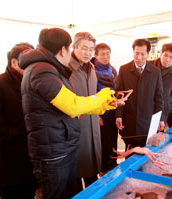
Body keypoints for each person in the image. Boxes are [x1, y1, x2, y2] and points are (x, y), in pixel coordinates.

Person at [19, 28, 116, 199]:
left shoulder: (49, 68)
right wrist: (101, 97)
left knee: (69, 192)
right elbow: (72, 105)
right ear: (64, 49)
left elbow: (73, 104)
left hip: (61, 143)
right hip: (53, 150)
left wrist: (105, 105)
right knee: (58, 193)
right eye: (73, 48)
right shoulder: (42, 71)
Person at [0, 43, 37, 199]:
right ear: (14, 62)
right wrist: (16, 134)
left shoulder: (31, 82)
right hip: (9, 157)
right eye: (28, 61)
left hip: (30, 155)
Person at [68, 32, 102, 191]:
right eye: (84, 48)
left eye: (91, 49)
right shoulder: (66, 68)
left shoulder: (92, 67)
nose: (88, 53)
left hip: (92, 123)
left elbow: (94, 95)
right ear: (74, 47)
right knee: (75, 174)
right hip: (75, 125)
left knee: (93, 171)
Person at [115, 39, 164, 148]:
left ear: (148, 54)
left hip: (147, 121)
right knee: (129, 152)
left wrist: (161, 118)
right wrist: (118, 115)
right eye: (136, 53)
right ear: (133, 52)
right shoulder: (124, 69)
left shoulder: (155, 71)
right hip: (128, 121)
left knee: (146, 153)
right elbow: (119, 94)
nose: (139, 57)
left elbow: (159, 97)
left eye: (143, 54)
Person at [90, 43, 118, 173]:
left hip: (113, 111)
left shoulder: (112, 70)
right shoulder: (92, 71)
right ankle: (104, 167)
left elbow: (116, 89)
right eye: (102, 54)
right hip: (101, 113)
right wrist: (97, 115)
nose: (106, 56)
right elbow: (92, 94)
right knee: (103, 142)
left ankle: (113, 162)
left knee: (113, 139)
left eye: (108, 53)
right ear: (95, 55)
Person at [150, 43, 172, 124]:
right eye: (165, 55)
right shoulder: (148, 66)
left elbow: (171, 94)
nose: (167, 59)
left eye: (171, 57)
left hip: (161, 111)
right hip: (143, 109)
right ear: (160, 53)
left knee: (158, 134)